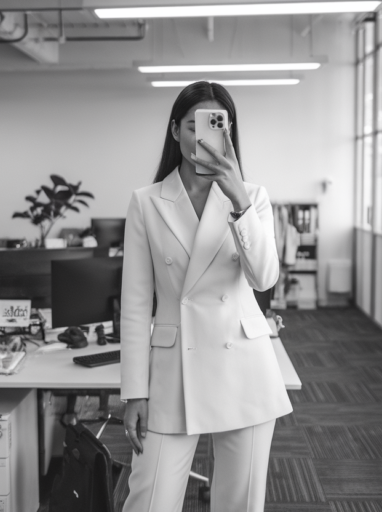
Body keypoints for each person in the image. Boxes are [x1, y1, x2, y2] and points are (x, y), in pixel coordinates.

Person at [120, 81, 293, 511]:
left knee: (240, 504)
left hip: (244, 369)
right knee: (148, 501)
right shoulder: (147, 202)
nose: (204, 136)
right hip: (174, 372)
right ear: (176, 129)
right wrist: (134, 393)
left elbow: (264, 277)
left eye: (216, 125)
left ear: (228, 133)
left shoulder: (252, 197)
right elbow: (137, 306)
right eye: (194, 125)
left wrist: (237, 199)